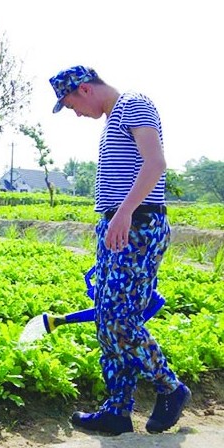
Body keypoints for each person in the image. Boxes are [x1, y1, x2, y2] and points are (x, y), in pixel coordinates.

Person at [49, 65, 190, 435]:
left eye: (71, 105)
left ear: (84, 89)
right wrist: (114, 219)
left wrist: (125, 212)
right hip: (118, 226)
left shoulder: (134, 104)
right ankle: (117, 410)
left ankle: (170, 388)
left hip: (138, 225)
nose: (76, 114)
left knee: (119, 320)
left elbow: (155, 163)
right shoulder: (114, 118)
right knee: (107, 320)